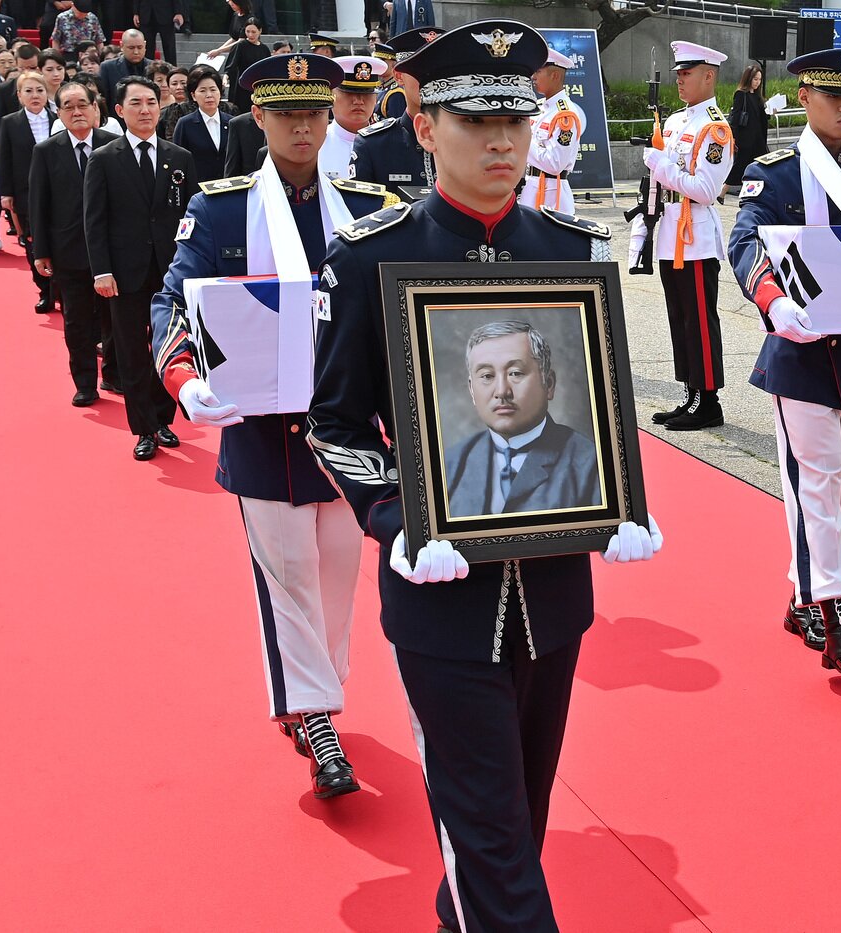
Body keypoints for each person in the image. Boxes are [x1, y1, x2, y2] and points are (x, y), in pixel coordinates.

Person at [309, 21, 659, 931]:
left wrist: (621, 494)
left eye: (517, 120)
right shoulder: (368, 256)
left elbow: (591, 402)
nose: (504, 142)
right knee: (493, 838)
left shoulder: (567, 250)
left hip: (552, 590)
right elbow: (335, 425)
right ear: (424, 128)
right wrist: (395, 518)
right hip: (443, 604)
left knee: (518, 823)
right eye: (476, 123)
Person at [151, 52, 393, 798]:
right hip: (261, 430)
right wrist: (185, 382)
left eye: (314, 114)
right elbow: (172, 301)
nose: (302, 127)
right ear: (258, 118)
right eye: (286, 114)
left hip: (347, 432)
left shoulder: (368, 205)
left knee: (338, 579)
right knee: (286, 578)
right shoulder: (223, 208)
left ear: (329, 119)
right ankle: (317, 718)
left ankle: (316, 692)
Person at [728, 46, 841, 677]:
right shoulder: (776, 173)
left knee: (837, 490)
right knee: (820, 487)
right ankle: (838, 617)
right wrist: (772, 300)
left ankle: (804, 595)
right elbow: (744, 239)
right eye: (834, 96)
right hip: (800, 353)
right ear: (804, 98)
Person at [84, 74, 196, 460]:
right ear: (119, 110)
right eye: (136, 103)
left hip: (170, 270)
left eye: (151, 101)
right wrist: (101, 271)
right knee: (131, 350)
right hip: (123, 272)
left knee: (167, 348)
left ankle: (163, 419)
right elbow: (94, 220)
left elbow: (191, 216)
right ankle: (142, 428)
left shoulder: (178, 157)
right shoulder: (104, 159)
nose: (145, 109)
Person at [629, 40, 734, 431]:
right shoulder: (674, 122)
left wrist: (659, 165)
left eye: (687, 73)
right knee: (680, 317)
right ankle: (690, 393)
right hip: (671, 229)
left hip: (696, 234)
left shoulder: (715, 129)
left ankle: (709, 401)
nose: (680, 80)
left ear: (709, 75)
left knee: (700, 320)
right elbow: (661, 183)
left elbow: (706, 190)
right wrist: (646, 220)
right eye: (678, 74)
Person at [445, 320, 600, 516]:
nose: (502, 391)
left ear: (549, 384)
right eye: (487, 376)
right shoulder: (450, 465)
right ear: (471, 390)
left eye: (515, 373)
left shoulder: (590, 464)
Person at [29, 76, 117, 404]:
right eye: (69, 106)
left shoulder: (113, 145)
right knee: (77, 320)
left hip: (112, 249)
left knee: (114, 317)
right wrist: (41, 251)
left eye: (84, 105)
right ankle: (85, 382)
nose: (77, 112)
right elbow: (39, 203)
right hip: (69, 250)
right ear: (59, 113)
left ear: (96, 109)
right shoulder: (46, 151)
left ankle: (113, 373)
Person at [347, 25, 441, 194]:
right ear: (399, 76)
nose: (431, 80)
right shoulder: (373, 145)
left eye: (440, 71)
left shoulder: (468, 140)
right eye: (421, 70)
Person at [0, 68, 54, 309]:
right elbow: (5, 158)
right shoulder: (9, 123)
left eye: (39, 90)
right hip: (24, 191)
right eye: (28, 91)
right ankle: (43, 288)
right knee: (32, 239)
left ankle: (57, 288)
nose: (35, 95)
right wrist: (6, 192)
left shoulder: (58, 119)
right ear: (19, 95)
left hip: (57, 191)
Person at [518, 46, 582, 214]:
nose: (533, 77)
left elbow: (554, 164)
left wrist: (522, 140)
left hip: (552, 194)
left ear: (555, 76)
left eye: (538, 71)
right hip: (531, 187)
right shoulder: (539, 107)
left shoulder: (564, 114)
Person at [318, 53, 381, 180]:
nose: (358, 100)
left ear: (375, 98)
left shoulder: (386, 144)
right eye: (349, 92)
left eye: (366, 93)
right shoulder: (316, 143)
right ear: (331, 95)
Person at [170, 64, 228, 179]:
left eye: (213, 89)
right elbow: (178, 160)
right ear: (193, 95)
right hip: (198, 190)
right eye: (202, 90)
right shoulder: (185, 124)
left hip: (229, 188)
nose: (209, 95)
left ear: (220, 92)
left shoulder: (232, 122)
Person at [724, 61, 765, 192]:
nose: (757, 82)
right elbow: (735, 117)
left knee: (758, 166)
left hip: (757, 138)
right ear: (748, 78)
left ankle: (749, 192)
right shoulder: (741, 94)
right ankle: (723, 191)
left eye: (759, 79)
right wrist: (734, 137)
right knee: (740, 166)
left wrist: (770, 111)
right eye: (755, 79)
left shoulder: (757, 96)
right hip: (745, 137)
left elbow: (760, 116)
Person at [222, 16, 265, 110]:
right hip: (241, 87)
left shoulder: (264, 49)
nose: (250, 35)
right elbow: (231, 64)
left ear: (260, 31)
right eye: (247, 31)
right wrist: (226, 77)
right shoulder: (240, 46)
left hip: (257, 86)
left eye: (253, 32)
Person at [97, 28, 145, 110]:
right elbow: (104, 98)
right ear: (122, 46)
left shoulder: (152, 67)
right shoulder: (107, 67)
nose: (136, 52)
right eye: (131, 48)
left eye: (140, 47)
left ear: (145, 45)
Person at [132, 0, 182, 67]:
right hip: (145, 13)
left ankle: (172, 72)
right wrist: (136, 13)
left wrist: (178, 12)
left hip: (166, 13)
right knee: (147, 47)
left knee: (169, 47)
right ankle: (147, 72)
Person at [370, 39, 403, 120]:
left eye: (382, 60)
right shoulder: (382, 88)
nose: (378, 64)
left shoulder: (396, 93)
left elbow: (397, 126)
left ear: (394, 64)